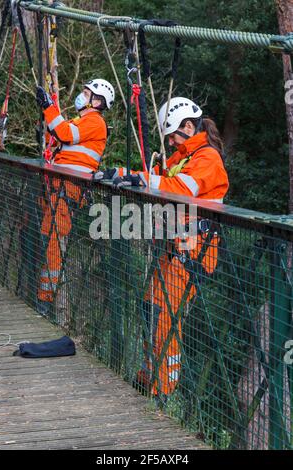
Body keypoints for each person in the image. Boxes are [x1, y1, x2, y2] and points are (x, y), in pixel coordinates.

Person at [97, 97, 229, 398]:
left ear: (188, 126)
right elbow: (159, 181)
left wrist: (137, 178)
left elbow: (180, 188)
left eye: (173, 134)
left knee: (167, 316)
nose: (170, 141)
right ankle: (150, 373)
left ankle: (163, 387)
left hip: (194, 250)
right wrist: (126, 175)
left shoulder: (207, 159)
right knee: (151, 308)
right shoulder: (184, 157)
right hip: (175, 246)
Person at [35, 78, 115, 316]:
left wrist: (49, 106)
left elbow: (64, 133)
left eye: (85, 92)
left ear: (97, 100)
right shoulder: (83, 121)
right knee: (47, 239)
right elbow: (59, 132)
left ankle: (45, 300)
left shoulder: (95, 122)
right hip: (58, 188)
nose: (81, 95)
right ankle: (44, 297)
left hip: (67, 190)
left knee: (53, 244)